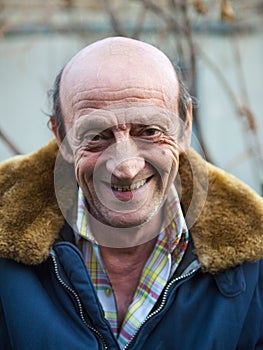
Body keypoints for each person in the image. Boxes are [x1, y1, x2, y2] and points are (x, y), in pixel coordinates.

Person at [0, 36, 263, 350]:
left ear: (185, 126)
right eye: (97, 135)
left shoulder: (254, 261)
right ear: (62, 137)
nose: (126, 168)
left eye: (149, 131)